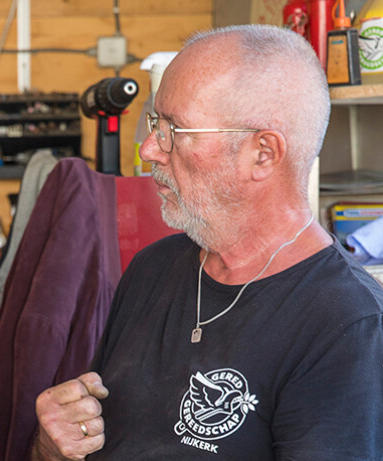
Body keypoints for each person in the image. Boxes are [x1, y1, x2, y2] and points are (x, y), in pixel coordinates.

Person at [33, 25, 383, 460]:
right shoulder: (152, 269)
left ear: (263, 153)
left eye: (175, 131)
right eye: (155, 123)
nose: (149, 150)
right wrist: (53, 447)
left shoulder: (346, 325)